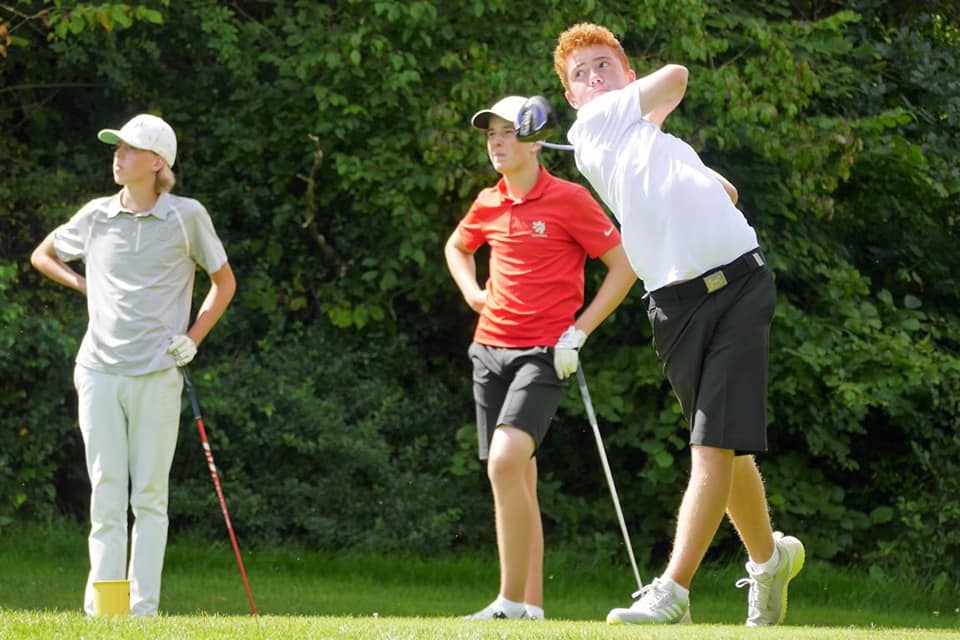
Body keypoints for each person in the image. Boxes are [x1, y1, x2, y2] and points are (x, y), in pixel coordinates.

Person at [546, 23, 805, 627]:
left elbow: (725, 191)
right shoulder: (592, 127)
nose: (593, 77)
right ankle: (770, 562)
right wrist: (654, 113)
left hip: (740, 285)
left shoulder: (655, 142)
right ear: (572, 99)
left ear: (626, 74)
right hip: (674, 306)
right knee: (724, 447)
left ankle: (674, 592)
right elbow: (677, 77)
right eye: (580, 74)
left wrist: (684, 164)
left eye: (603, 65)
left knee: (713, 444)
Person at [30, 113, 236, 616]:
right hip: (98, 369)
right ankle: (104, 610)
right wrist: (85, 286)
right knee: (105, 491)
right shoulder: (96, 215)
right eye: (116, 148)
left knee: (148, 496)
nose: (117, 156)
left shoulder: (186, 216)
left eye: (128, 149)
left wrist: (193, 339)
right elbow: (43, 255)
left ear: (157, 162)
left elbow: (224, 283)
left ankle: (142, 611)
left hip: (157, 373)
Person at [445, 95, 636, 620]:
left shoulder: (570, 199)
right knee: (517, 476)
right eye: (491, 134)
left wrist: (580, 332)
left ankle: (507, 604)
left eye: (508, 132)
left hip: (544, 352)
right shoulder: (489, 201)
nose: (497, 143)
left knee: (505, 462)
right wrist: (472, 292)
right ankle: (530, 607)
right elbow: (457, 247)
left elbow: (624, 266)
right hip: (489, 349)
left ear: (534, 142)